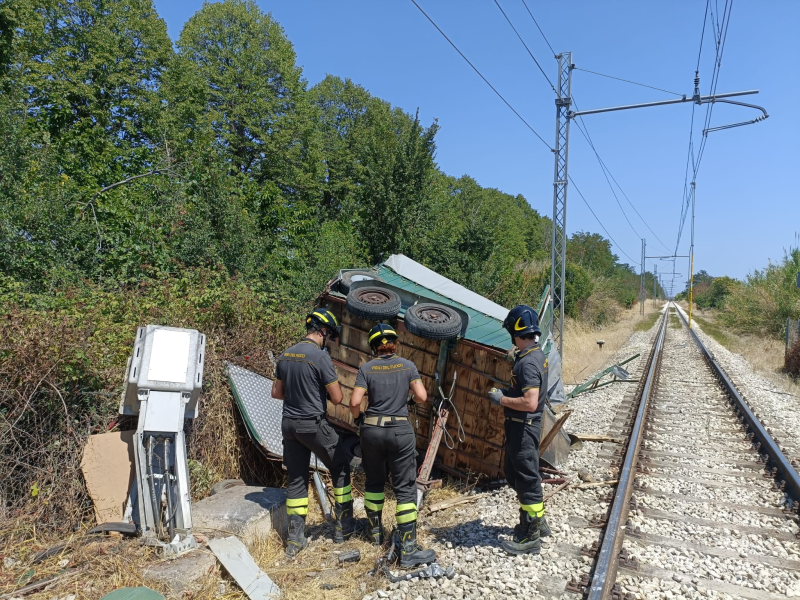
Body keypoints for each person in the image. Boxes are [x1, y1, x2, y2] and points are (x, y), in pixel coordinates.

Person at [349, 323, 437, 568]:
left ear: (374, 346)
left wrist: (359, 419)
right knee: (405, 488)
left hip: (372, 431)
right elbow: (421, 397)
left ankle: (375, 533)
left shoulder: (366, 368)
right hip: (400, 431)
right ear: (394, 343)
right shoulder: (407, 366)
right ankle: (408, 546)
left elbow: (355, 401)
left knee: (374, 481)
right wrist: (406, 395)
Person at [272, 308, 353, 557]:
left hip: (288, 424)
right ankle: (343, 529)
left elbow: (276, 393)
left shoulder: (285, 355)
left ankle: (295, 541)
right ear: (323, 331)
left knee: (296, 479)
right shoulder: (319, 357)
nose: (327, 341)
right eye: (328, 336)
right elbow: (338, 398)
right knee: (340, 465)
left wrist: (298, 395)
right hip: (312, 424)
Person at [487, 304, 552, 556]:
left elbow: (530, 402)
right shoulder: (534, 354)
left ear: (515, 332)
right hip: (521, 427)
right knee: (514, 475)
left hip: (524, 427)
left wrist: (500, 399)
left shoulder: (528, 364)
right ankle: (533, 522)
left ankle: (531, 536)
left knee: (527, 479)